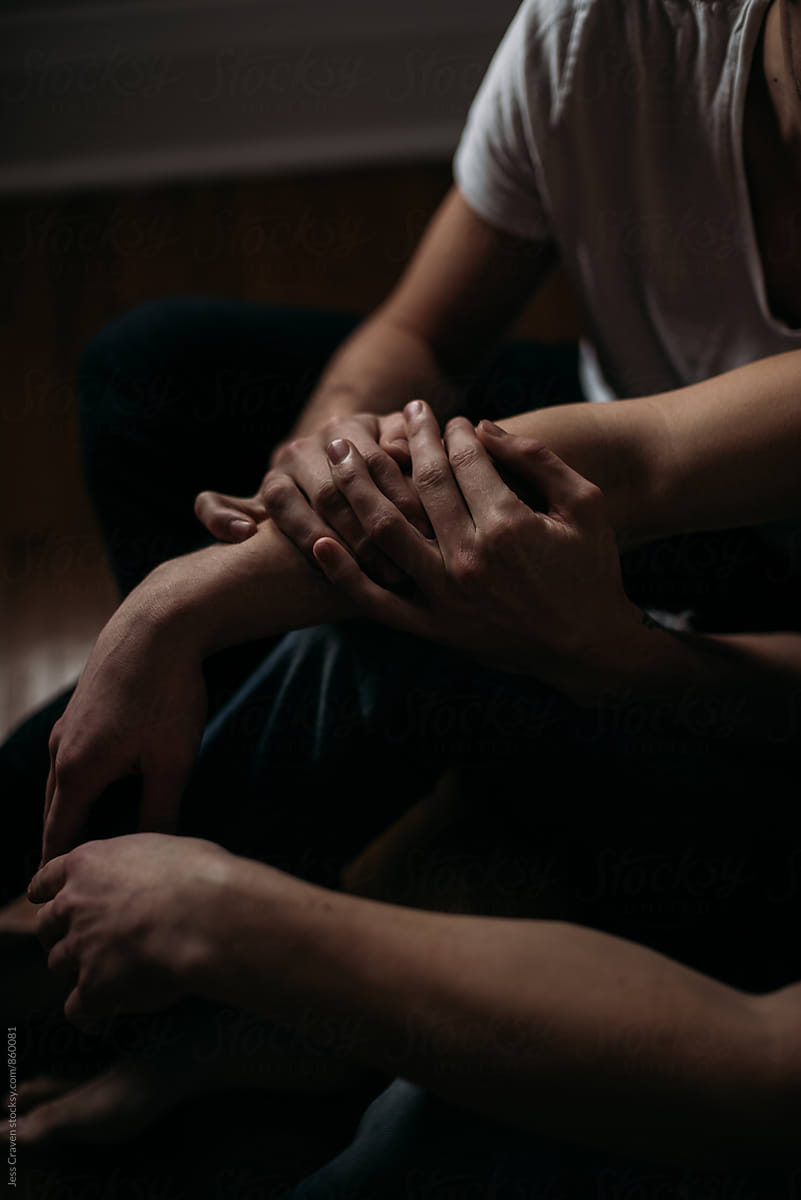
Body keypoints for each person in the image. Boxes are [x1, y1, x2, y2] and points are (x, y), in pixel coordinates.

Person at [4, 0, 801, 1190]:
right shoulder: (617, 28)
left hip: (741, 673)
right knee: (157, 384)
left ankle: (153, 974)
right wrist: (306, 486)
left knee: (388, 639)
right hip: (664, 496)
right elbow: (618, 445)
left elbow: (765, 1072)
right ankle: (113, 932)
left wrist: (612, 657)